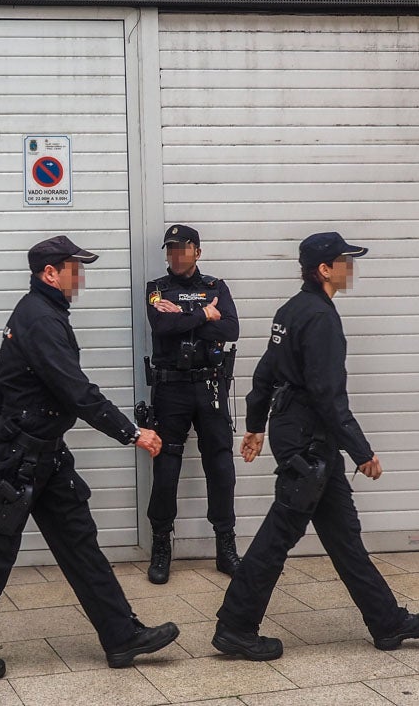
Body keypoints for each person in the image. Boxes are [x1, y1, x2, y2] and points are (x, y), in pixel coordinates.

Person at [0, 235, 179, 682]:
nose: (79, 276)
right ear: (50, 273)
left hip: (45, 454)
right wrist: (132, 432)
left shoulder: (44, 314)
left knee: (80, 545)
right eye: (74, 268)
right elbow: (76, 390)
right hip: (24, 457)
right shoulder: (39, 318)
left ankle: (121, 636)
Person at [211, 232, 419, 661]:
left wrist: (256, 425)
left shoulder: (291, 310)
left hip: (303, 436)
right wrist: (363, 452)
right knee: (279, 534)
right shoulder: (320, 318)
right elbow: (327, 394)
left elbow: (265, 371)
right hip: (310, 441)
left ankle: (387, 622)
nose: (350, 267)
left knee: (344, 537)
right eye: (345, 260)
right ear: (324, 269)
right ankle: (236, 628)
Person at [143, 223, 240, 584]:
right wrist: (203, 316)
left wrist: (182, 319)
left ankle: (225, 546)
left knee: (220, 465)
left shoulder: (216, 287)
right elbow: (160, 327)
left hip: (210, 386)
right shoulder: (157, 289)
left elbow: (230, 330)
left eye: (182, 248)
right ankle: (162, 546)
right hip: (171, 390)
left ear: (197, 251)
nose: (176, 255)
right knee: (166, 468)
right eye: (170, 249)